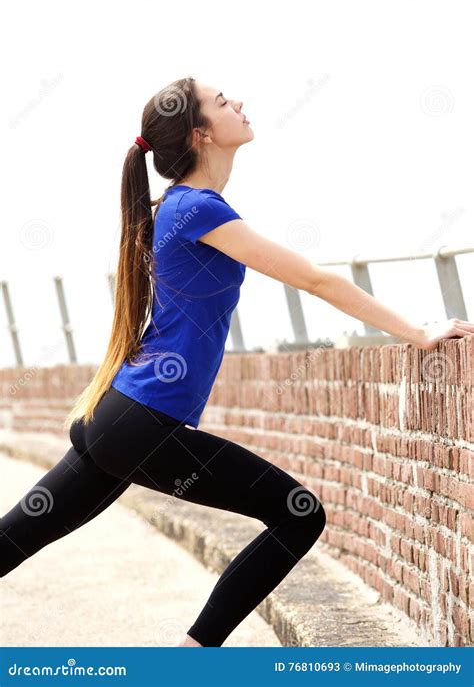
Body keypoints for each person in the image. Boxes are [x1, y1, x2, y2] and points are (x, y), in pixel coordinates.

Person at [1, 77, 472, 648]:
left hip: (121, 417)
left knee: (16, 539)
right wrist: (418, 332)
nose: (240, 103)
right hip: (140, 422)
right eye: (223, 102)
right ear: (201, 133)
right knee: (300, 515)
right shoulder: (196, 209)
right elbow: (313, 279)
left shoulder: (184, 208)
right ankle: (194, 659)